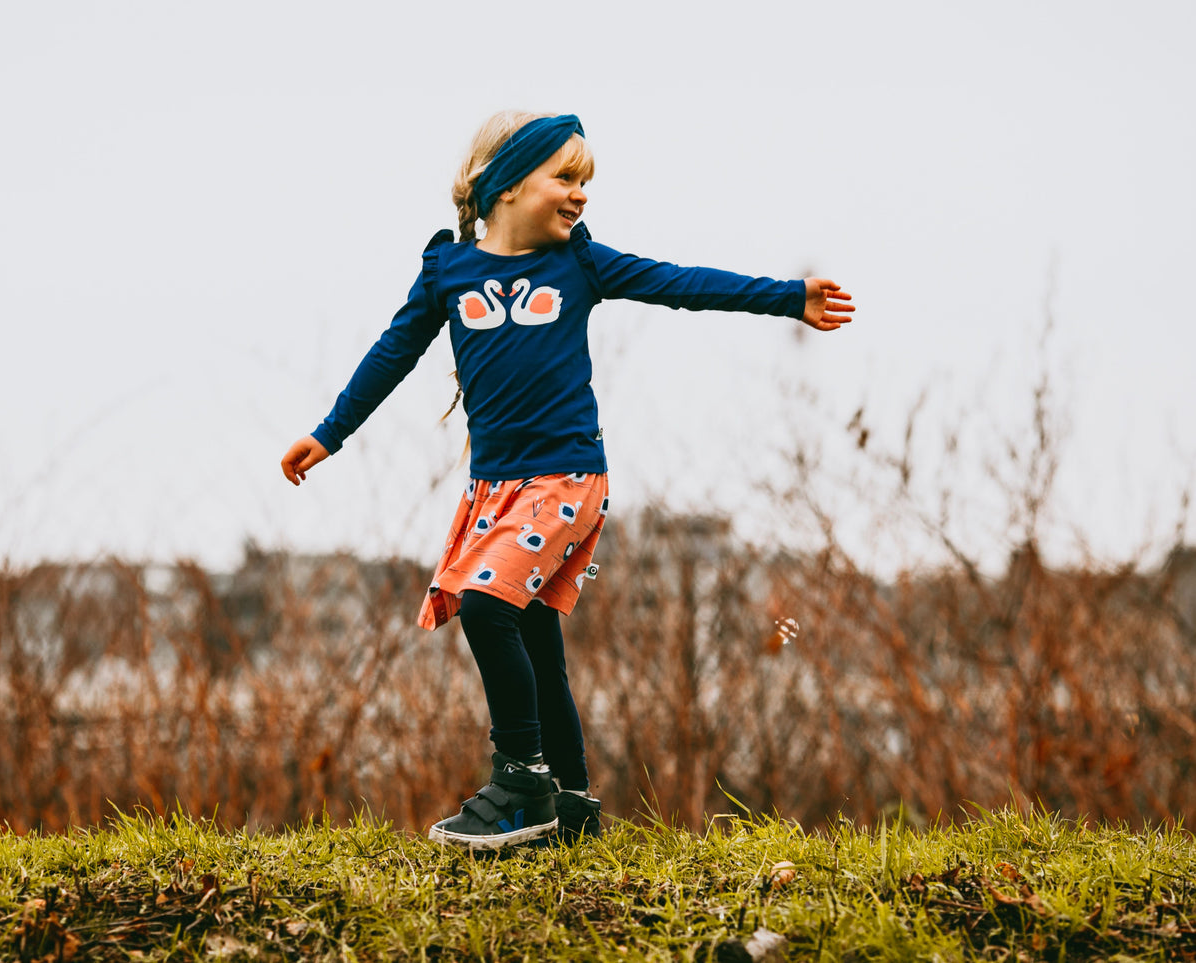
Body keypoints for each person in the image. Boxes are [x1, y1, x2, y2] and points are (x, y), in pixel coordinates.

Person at [280, 110, 854, 851]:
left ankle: (520, 782)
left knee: (486, 605)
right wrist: (328, 433)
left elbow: (679, 282)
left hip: (565, 478)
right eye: (565, 177)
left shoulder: (579, 264)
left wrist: (786, 297)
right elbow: (392, 354)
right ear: (507, 184)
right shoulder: (448, 272)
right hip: (493, 488)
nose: (581, 194)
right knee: (532, 634)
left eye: (586, 181)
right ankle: (572, 800)